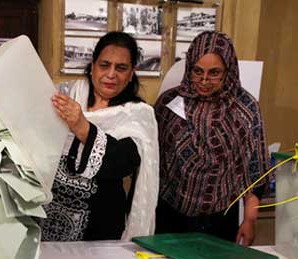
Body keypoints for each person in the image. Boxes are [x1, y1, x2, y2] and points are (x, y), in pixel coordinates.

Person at [41, 31, 159, 241]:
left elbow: (123, 162)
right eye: (105, 65)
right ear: (93, 65)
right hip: (47, 215)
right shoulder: (67, 95)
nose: (111, 74)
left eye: (121, 68)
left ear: (132, 73)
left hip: (99, 226)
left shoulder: (136, 113)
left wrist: (82, 126)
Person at [155, 31, 269, 245]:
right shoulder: (168, 103)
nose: (204, 80)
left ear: (229, 70)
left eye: (214, 72)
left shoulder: (245, 108)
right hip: (168, 211)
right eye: (197, 71)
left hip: (219, 216)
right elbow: (151, 159)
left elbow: (255, 168)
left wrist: (250, 219)